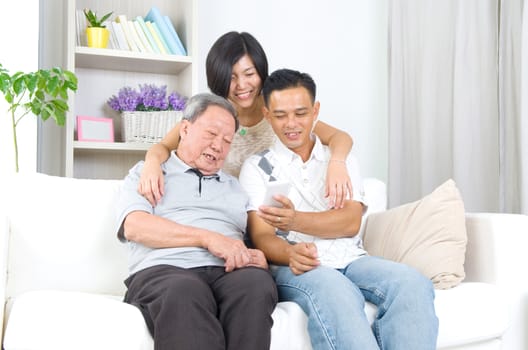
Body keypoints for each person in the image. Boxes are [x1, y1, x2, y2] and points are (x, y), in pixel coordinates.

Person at [238, 69, 439, 350]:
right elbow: (262, 236)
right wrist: (290, 252)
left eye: (300, 113)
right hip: (297, 266)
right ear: (267, 115)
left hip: (351, 257)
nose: (291, 124)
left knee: (412, 284)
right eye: (280, 115)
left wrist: (295, 219)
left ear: (315, 111)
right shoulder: (257, 167)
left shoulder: (340, 161)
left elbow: (349, 223)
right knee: (337, 290)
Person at [115, 93, 278, 350]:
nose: (218, 146)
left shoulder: (236, 188)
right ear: (185, 129)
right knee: (184, 290)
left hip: (228, 271)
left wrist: (257, 257)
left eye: (227, 140)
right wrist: (207, 238)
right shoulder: (148, 172)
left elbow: (256, 239)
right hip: (165, 270)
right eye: (211, 134)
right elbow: (135, 227)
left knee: (256, 284)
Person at [138, 31, 354, 209]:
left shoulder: (278, 110)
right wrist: (151, 163)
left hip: (270, 215)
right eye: (231, 78)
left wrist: (337, 163)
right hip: (227, 211)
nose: (242, 85)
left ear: (261, 72)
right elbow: (164, 146)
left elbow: (340, 137)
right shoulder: (215, 115)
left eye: (249, 74)